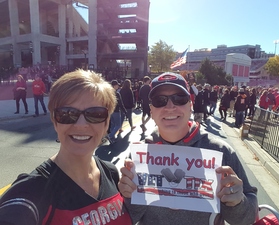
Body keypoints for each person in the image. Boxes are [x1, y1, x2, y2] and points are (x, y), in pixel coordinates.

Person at [118, 72, 258, 225]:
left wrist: (237, 203)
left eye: (179, 99)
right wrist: (128, 198)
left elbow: (247, 218)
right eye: (160, 101)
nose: (170, 107)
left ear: (190, 105)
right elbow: (128, 218)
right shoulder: (139, 156)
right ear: (151, 110)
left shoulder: (220, 151)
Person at [0, 69, 132, 225]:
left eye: (95, 114)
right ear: (55, 121)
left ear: (106, 123)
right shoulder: (31, 193)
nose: (81, 125)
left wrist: (134, 200)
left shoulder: (111, 173)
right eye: (67, 114)